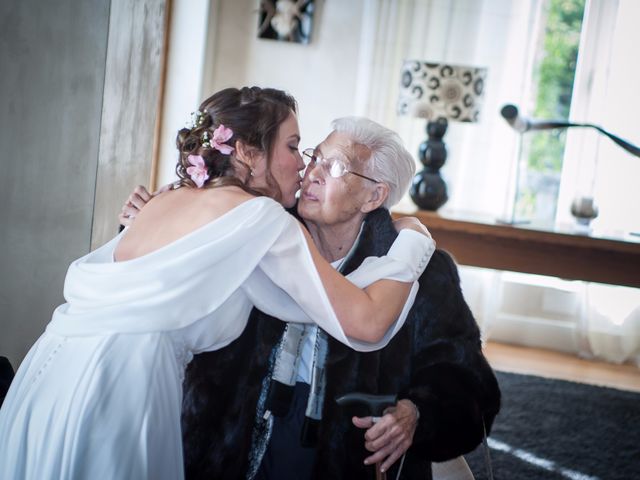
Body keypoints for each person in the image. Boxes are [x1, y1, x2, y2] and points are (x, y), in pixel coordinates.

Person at [0, 88, 435, 480]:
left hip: (47, 375)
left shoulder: (168, 198)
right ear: (246, 151)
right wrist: (413, 241)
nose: (303, 168)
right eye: (294, 147)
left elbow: (304, 302)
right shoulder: (259, 218)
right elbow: (365, 321)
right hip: (123, 388)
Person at [121, 116, 501, 479]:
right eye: (314, 157)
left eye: (334, 168)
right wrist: (147, 222)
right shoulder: (260, 230)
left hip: (347, 449)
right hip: (235, 438)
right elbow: (175, 273)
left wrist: (417, 412)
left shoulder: (425, 272)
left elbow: (467, 380)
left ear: (374, 196)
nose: (312, 173)